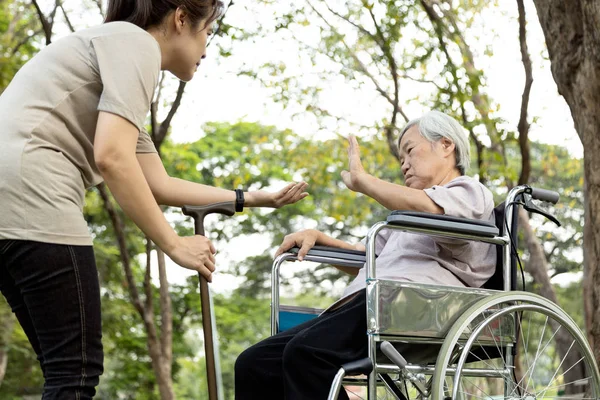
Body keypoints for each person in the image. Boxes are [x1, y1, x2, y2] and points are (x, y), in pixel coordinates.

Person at [0, 0, 308, 398]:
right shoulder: (136, 44)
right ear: (180, 19)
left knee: (63, 367)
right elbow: (112, 157)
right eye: (207, 32)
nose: (207, 48)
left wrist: (256, 197)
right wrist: (175, 244)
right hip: (34, 188)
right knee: (75, 371)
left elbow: (158, 182)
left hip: (11, 198)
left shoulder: (110, 55)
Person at [234, 110, 497, 399]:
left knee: (308, 354)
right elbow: (365, 258)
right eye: (401, 160)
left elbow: (432, 209)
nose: (405, 165)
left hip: (417, 303)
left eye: (409, 152)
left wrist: (364, 181)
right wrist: (320, 239)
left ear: (447, 145)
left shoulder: (469, 191)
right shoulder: (405, 219)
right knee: (255, 363)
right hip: (375, 300)